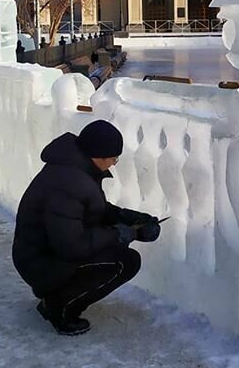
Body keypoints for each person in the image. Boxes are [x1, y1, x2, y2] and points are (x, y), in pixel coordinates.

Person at [12, 120, 160, 336]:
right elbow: (71, 246)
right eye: (113, 158)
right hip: (39, 262)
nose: (114, 163)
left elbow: (91, 211)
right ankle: (59, 307)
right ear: (98, 155)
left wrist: (127, 218)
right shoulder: (70, 182)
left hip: (43, 255)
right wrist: (120, 234)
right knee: (125, 262)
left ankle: (53, 293)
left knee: (116, 253)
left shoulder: (74, 170)